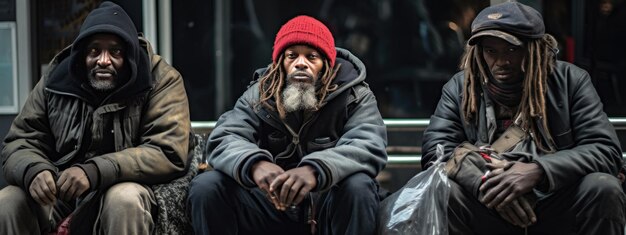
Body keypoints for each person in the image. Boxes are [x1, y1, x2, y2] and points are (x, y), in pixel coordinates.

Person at [421, 2, 625, 235]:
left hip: (554, 199)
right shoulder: (460, 86)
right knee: (443, 191)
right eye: (491, 51)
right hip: (487, 203)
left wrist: (538, 170)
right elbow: (436, 152)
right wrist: (485, 185)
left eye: (512, 50)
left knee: (603, 187)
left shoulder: (571, 81)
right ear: (479, 52)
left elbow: (605, 149)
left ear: (534, 48)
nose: (501, 61)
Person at [0, 2, 191, 234]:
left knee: (124, 199)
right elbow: (21, 140)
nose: (103, 60)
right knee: (8, 200)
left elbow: (167, 151)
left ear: (129, 54)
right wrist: (33, 170)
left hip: (132, 192)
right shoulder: (56, 78)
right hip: (64, 193)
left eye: (115, 51)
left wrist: (95, 171)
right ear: (82, 55)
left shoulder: (161, 80)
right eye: (94, 51)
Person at [187, 15, 387, 235]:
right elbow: (225, 137)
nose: (301, 63)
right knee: (207, 186)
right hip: (270, 204)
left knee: (359, 186)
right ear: (281, 63)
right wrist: (255, 165)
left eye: (312, 56)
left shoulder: (355, 96)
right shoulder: (260, 94)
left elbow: (368, 143)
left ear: (326, 66)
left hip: (327, 207)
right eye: (292, 56)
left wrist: (315, 170)